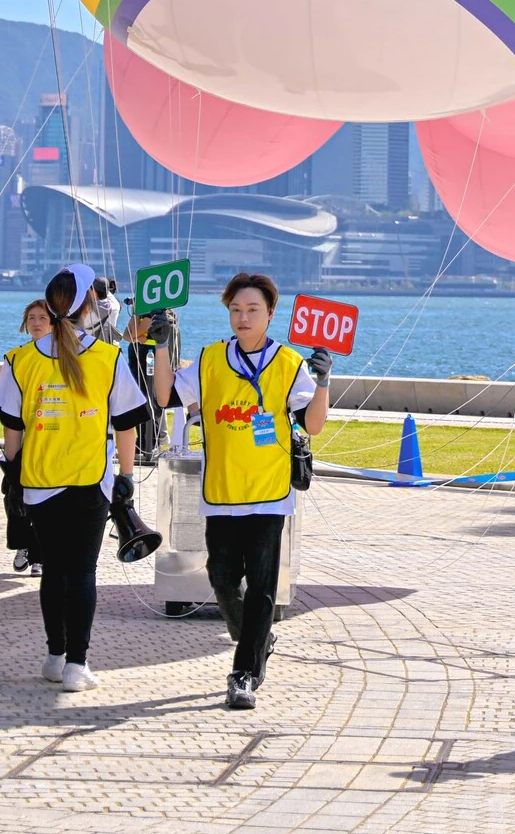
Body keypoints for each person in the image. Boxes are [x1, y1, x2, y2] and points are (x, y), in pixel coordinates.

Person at [152, 273, 330, 711]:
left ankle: (244, 674)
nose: (243, 318)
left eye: (252, 310)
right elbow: (164, 396)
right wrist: (159, 346)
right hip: (222, 493)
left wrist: (323, 382)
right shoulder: (211, 359)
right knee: (222, 578)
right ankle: (255, 634)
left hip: (269, 494)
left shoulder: (289, 363)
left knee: (263, 588)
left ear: (271, 314)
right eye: (235, 310)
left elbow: (312, 425)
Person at [0, 264, 149, 692]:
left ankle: (54, 656)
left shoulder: (20, 359)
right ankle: (76, 666)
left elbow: (13, 429)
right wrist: (125, 476)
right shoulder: (108, 356)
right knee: (82, 572)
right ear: (88, 306)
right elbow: (126, 424)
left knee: (54, 571)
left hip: (39, 481)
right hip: (89, 481)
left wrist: (13, 476)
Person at [1, 297, 53, 577]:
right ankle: (22, 545)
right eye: (31, 317)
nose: (36, 323)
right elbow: (6, 407)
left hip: (49, 439)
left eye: (42, 318)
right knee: (16, 498)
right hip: (22, 438)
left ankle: (39, 556)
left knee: (45, 502)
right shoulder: (16, 357)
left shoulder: (60, 360)